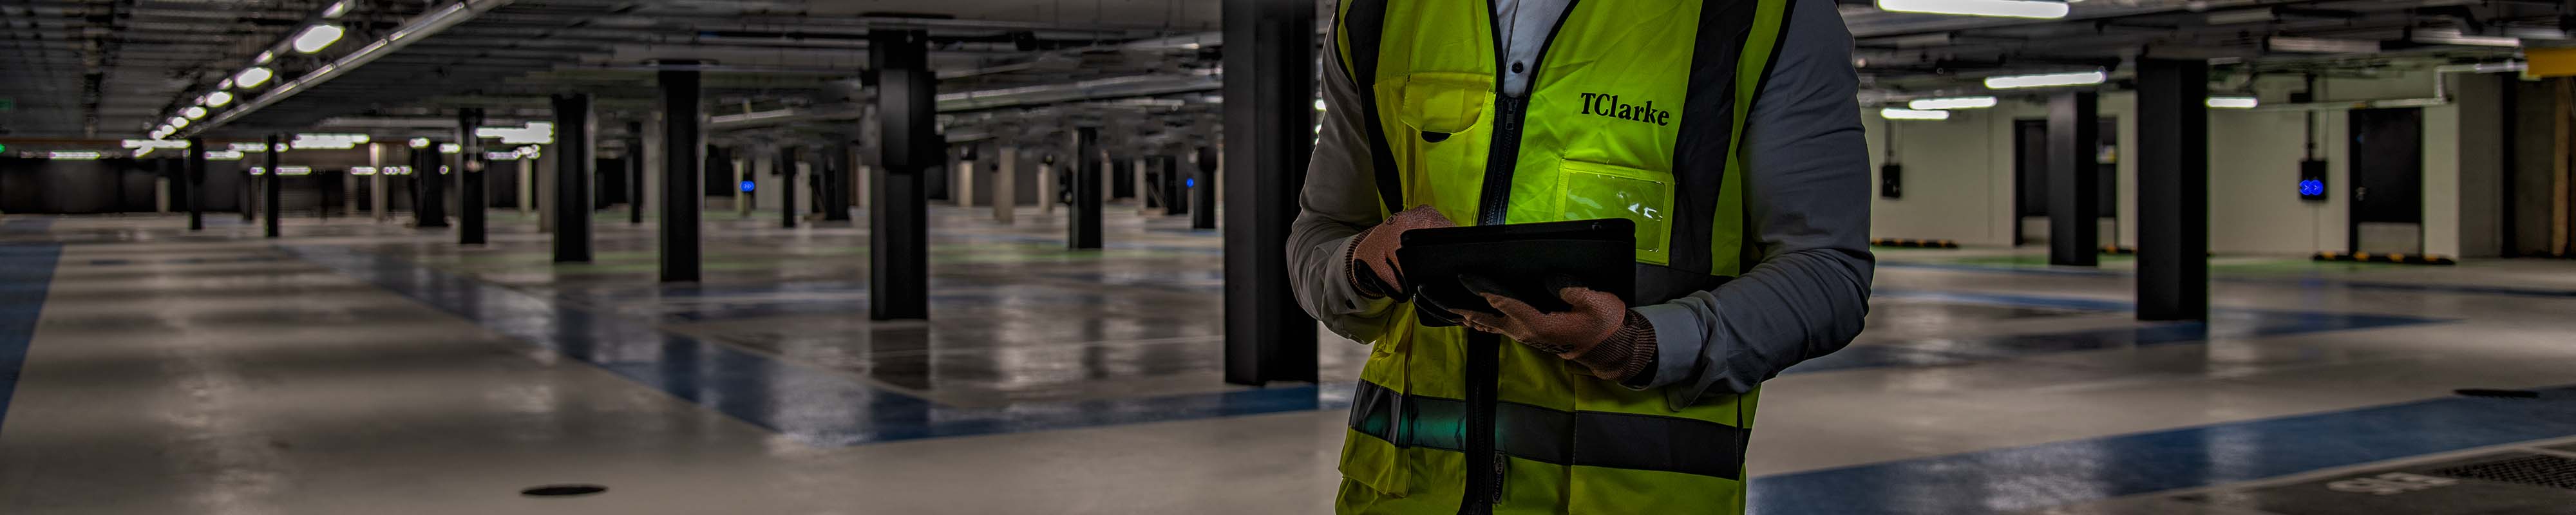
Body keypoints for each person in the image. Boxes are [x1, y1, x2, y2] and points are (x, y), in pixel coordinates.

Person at [1286, 0, 1875, 512]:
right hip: (1403, 499)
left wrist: (1649, 344)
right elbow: (1321, 233)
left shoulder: (1764, 13)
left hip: (1631, 501)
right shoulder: (1378, 10)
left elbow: (1828, 271)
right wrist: (1358, 264)